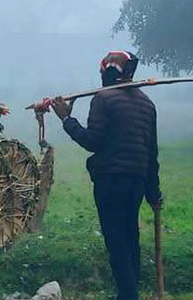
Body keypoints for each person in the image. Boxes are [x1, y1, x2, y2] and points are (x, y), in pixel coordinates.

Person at [50, 51, 162, 300]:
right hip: (137, 183)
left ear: (107, 72)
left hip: (111, 180)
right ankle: (129, 293)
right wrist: (153, 193)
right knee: (130, 236)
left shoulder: (103, 98)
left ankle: (128, 295)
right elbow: (151, 154)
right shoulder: (147, 104)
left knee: (116, 241)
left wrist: (66, 118)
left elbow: (92, 141)